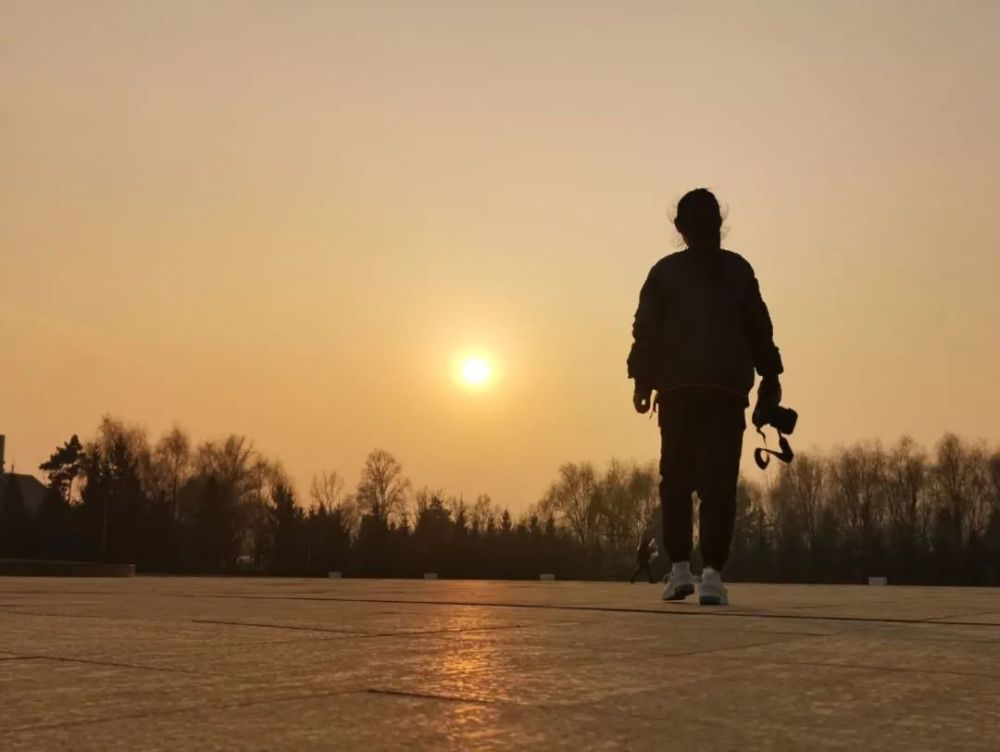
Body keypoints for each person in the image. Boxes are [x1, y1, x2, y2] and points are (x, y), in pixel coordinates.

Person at [626, 188, 784, 605]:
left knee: (675, 482)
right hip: (727, 393)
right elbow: (759, 329)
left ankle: (679, 571)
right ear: (719, 224)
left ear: (679, 228)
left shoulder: (664, 274)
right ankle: (712, 576)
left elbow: (647, 331)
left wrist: (642, 381)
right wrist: (771, 376)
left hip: (678, 392)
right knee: (719, 485)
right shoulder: (738, 271)